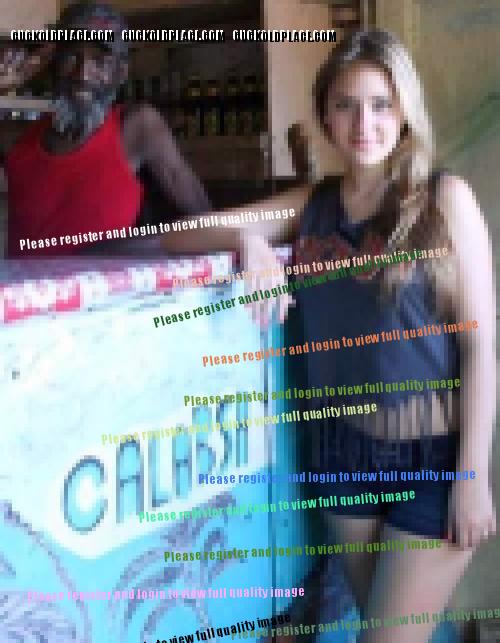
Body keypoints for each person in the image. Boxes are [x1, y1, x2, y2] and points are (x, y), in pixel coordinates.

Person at [159, 29, 496, 643]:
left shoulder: (443, 199)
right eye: (346, 105)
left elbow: (480, 347)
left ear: (404, 111)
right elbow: (179, 236)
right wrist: (252, 241)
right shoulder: (312, 207)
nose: (364, 123)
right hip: (343, 458)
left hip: (433, 460)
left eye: (381, 104)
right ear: (324, 116)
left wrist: (472, 477)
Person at [1, 1, 211, 258]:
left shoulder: (137, 127)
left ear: (121, 72)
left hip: (103, 285)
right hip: (23, 286)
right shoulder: (17, 136)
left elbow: (205, 219)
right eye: (71, 56)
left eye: (100, 61)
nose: (82, 74)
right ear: (53, 63)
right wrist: (3, 86)